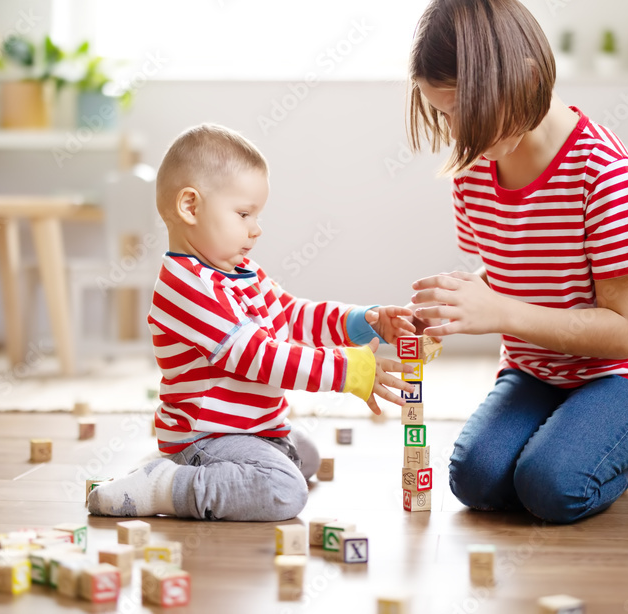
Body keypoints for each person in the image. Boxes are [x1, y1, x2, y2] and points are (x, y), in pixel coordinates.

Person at [405, 0, 628, 524]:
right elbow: (506, 265)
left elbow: (624, 333)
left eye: (464, 110)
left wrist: (500, 312)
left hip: (623, 374)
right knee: (475, 479)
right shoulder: (476, 168)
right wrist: (457, 303)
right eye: (444, 115)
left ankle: (608, 452)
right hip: (536, 369)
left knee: (550, 486)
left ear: (526, 78)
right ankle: (571, 432)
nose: (457, 132)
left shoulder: (606, 174)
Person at [88, 123, 414, 522]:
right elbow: (257, 356)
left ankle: (196, 469)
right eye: (243, 214)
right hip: (206, 434)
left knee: (305, 457)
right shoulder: (186, 287)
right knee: (284, 491)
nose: (256, 229)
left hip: (251, 426)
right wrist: (347, 370)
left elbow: (292, 316)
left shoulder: (241, 270)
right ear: (190, 207)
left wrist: (363, 322)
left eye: (257, 214)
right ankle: (164, 484)